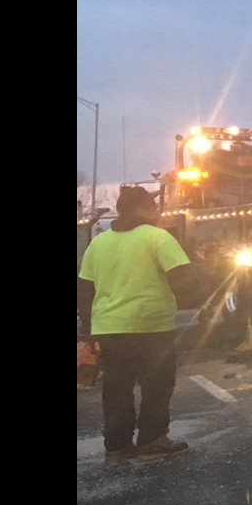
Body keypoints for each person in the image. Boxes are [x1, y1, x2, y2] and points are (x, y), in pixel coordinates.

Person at [77, 185, 197, 463]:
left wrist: (88, 326)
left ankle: (117, 447)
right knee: (156, 385)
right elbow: (183, 278)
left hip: (110, 329)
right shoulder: (158, 238)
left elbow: (84, 289)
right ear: (143, 210)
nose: (157, 212)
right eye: (153, 207)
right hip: (151, 326)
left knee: (117, 388)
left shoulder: (99, 243)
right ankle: (152, 439)